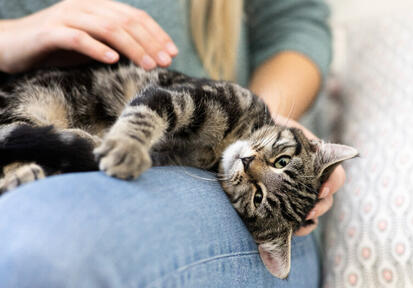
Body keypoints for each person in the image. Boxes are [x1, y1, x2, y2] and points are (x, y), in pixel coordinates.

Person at [0, 0, 340, 286]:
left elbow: (294, 20)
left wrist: (272, 121)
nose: (253, 167)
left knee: (43, 245)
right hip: (51, 120)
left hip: (206, 190)